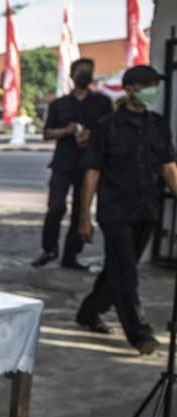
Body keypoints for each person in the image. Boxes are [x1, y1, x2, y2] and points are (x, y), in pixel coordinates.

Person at [75, 65, 177, 355]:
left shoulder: (158, 125)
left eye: (155, 85)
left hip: (147, 209)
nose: (152, 91)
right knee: (126, 273)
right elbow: (92, 174)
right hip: (116, 210)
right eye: (147, 85)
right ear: (130, 89)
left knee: (119, 268)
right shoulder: (107, 127)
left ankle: (88, 311)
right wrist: (85, 217)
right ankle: (139, 332)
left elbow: (168, 167)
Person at [34, 58, 113, 269]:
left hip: (89, 165)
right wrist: (66, 132)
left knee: (81, 211)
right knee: (55, 208)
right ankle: (49, 249)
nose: (84, 75)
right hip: (63, 163)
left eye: (88, 71)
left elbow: (110, 131)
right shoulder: (59, 104)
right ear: (72, 75)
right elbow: (47, 132)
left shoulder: (102, 103)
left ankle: (71, 255)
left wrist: (91, 135)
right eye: (80, 72)